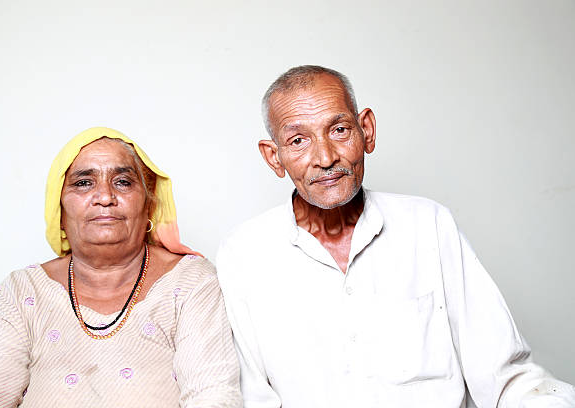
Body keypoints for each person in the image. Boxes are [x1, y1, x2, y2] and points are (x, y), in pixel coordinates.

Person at [216, 66, 575, 407]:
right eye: (298, 140)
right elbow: (252, 400)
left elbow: (507, 378)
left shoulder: (429, 225)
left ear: (366, 130)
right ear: (274, 157)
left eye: (339, 130)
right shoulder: (244, 255)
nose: (324, 157)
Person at [0, 127, 242, 407]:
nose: (105, 196)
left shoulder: (191, 283)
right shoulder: (21, 293)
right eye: (84, 183)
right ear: (59, 212)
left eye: (122, 182)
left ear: (148, 205)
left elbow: (214, 398)